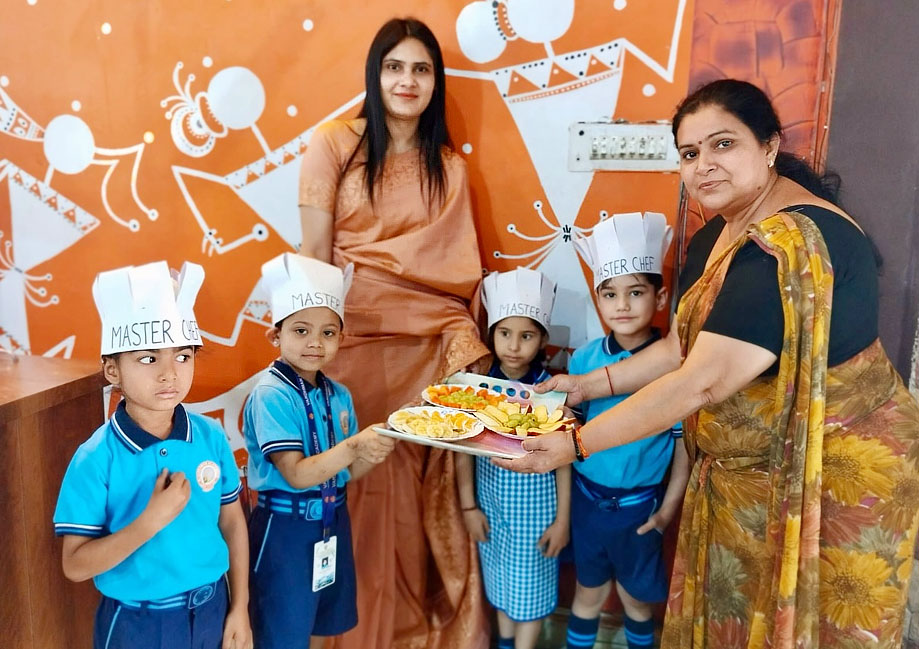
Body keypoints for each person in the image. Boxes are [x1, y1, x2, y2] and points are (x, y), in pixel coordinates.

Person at [496, 79, 919, 649]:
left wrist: (575, 445)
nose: (704, 165)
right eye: (690, 153)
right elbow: (680, 349)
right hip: (746, 480)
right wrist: (582, 386)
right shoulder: (716, 236)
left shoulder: (787, 244)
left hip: (827, 479)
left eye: (723, 144)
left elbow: (701, 381)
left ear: (769, 146)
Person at [298, 17, 491, 649]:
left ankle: (406, 632)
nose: (407, 81)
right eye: (394, 67)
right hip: (348, 342)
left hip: (423, 350)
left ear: (436, 81)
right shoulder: (334, 144)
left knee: (406, 494)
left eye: (421, 69)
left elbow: (456, 274)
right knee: (353, 483)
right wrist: (312, 350)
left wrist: (462, 346)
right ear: (375, 74)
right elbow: (315, 255)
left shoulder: (449, 168)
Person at [53, 261, 252, 649]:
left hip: (212, 609)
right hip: (138, 624)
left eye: (183, 356)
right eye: (148, 358)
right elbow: (74, 565)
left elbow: (231, 521)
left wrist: (240, 607)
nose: (169, 373)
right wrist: (150, 521)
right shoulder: (95, 458)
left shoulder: (210, 436)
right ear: (113, 370)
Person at [244, 253, 396, 649]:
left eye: (328, 332)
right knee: (281, 631)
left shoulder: (338, 394)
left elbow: (346, 473)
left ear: (341, 338)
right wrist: (354, 445)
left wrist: (376, 448)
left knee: (315, 624)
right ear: (275, 336)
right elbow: (296, 474)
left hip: (331, 522)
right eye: (301, 330)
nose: (315, 342)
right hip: (286, 530)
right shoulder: (271, 394)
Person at [563, 212, 690, 649]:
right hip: (587, 503)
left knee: (636, 603)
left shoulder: (673, 366)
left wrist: (666, 512)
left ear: (660, 297)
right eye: (610, 294)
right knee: (587, 594)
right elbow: (568, 431)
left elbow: (683, 449)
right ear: (598, 300)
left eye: (635, 292)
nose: (622, 305)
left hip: (640, 510)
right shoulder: (583, 360)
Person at [456, 268, 570, 649]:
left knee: (531, 596)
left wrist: (562, 520)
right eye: (504, 333)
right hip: (491, 509)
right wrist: (469, 507)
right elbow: (463, 449)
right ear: (492, 334)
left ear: (543, 340)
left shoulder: (549, 391)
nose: (514, 346)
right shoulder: (476, 387)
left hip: (536, 515)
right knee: (501, 587)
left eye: (527, 336)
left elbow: (564, 460)